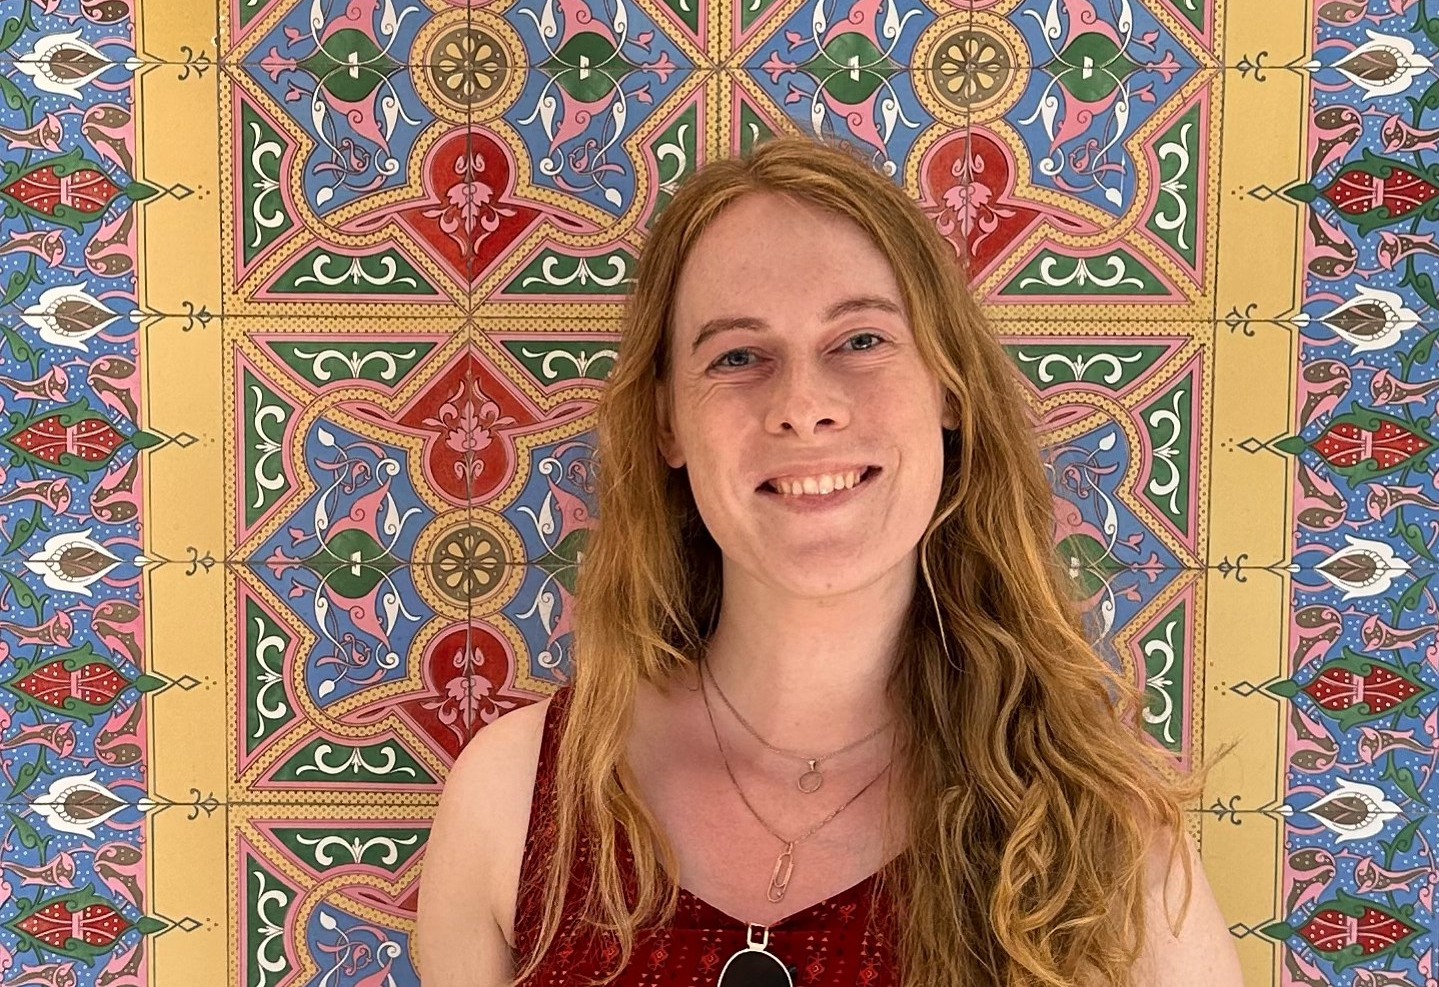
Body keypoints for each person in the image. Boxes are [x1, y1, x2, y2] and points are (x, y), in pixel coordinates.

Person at [416, 133, 1244, 987]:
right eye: (738, 356)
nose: (803, 405)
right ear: (666, 423)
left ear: (948, 387)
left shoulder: (1102, 836)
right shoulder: (515, 797)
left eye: (860, 340)